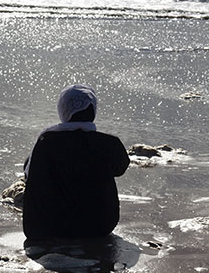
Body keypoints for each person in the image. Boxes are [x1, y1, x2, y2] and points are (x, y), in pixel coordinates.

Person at [22, 84, 130, 247]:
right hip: (99, 226)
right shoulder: (109, 143)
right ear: (93, 111)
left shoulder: (47, 141)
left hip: (51, 227)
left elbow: (30, 173)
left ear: (63, 111)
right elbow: (120, 168)